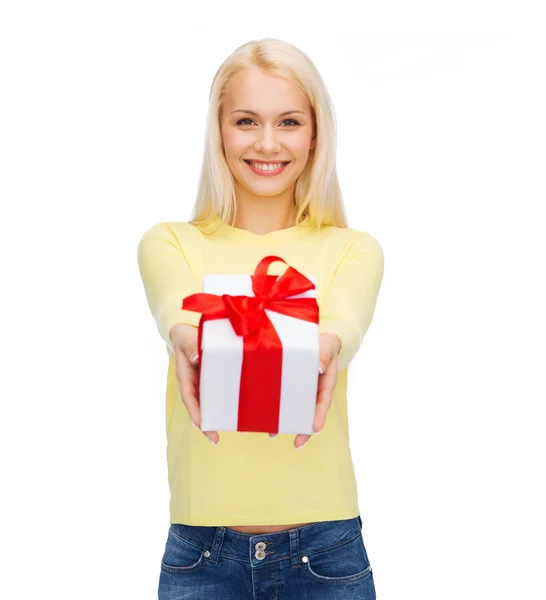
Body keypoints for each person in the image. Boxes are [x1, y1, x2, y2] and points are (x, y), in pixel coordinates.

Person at [137, 37, 384, 599]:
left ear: (315, 133)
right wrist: (185, 340)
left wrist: (327, 349)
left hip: (326, 552)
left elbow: (344, 324)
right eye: (246, 121)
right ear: (218, 131)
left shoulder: (353, 249)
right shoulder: (171, 243)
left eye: (290, 122)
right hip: (201, 555)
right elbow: (176, 311)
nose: (267, 143)